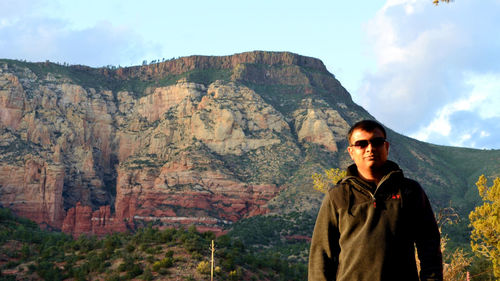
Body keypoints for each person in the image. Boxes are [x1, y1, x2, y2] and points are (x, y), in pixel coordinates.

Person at [308, 120, 443, 281]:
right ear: (351, 151)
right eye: (361, 144)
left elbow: (429, 248)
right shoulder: (337, 196)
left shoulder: (410, 191)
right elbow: (321, 257)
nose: (370, 149)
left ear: (386, 147)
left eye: (377, 142)